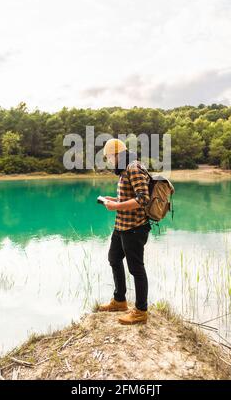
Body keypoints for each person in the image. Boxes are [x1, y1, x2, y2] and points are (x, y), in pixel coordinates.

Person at [98, 138, 151, 325]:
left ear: (116, 154)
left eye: (109, 157)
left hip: (135, 227)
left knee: (136, 268)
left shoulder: (134, 168)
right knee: (114, 258)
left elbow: (143, 198)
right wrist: (113, 199)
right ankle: (120, 301)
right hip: (121, 226)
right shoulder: (124, 170)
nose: (109, 161)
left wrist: (116, 206)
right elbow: (128, 196)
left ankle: (140, 311)